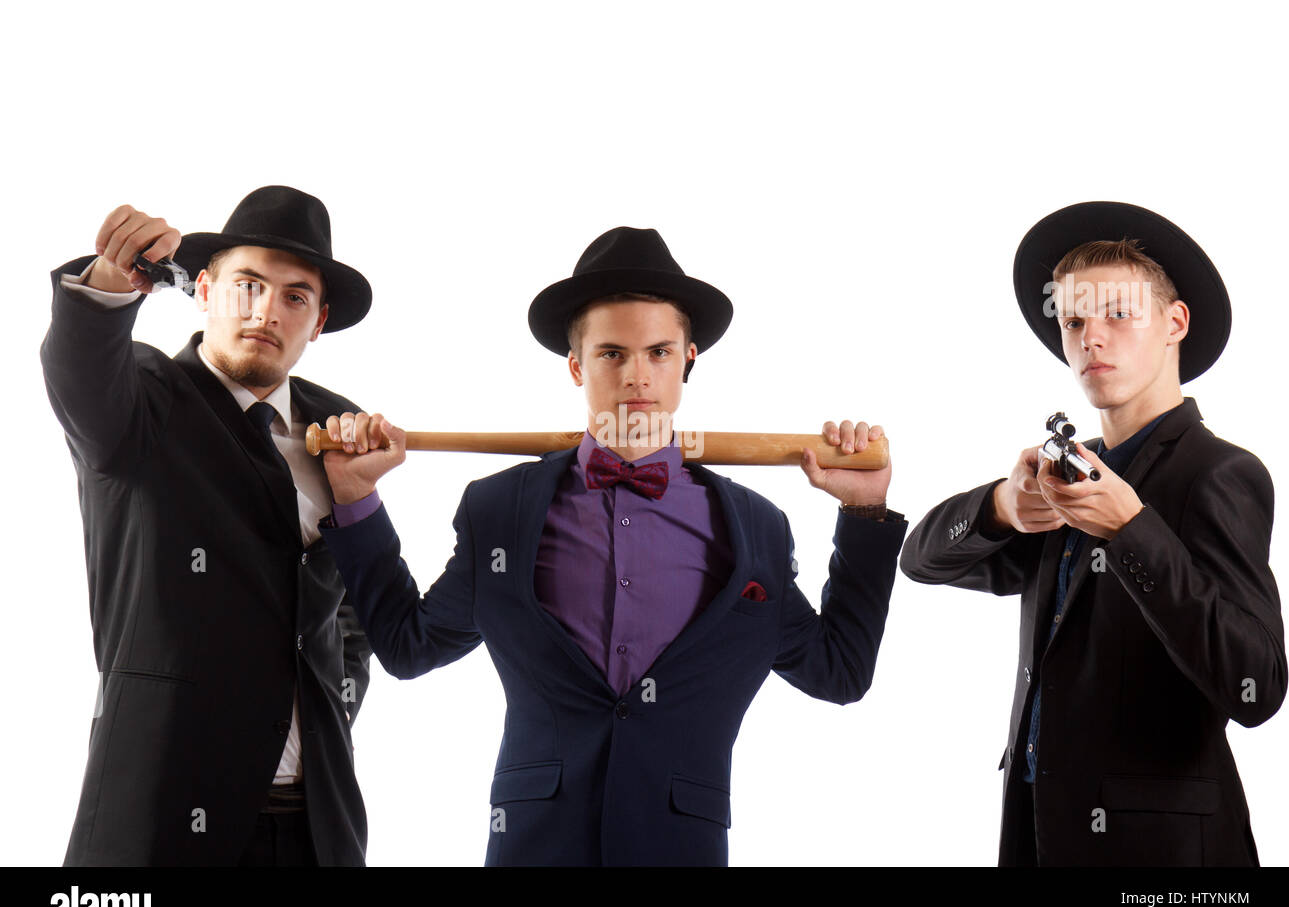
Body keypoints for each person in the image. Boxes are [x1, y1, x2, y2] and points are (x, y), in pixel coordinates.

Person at [317, 226, 907, 864]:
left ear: (689, 359)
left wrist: (864, 511)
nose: (637, 378)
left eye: (658, 353)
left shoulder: (757, 528)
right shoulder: (499, 511)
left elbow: (840, 672)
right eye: (611, 354)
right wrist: (355, 499)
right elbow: (408, 647)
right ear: (577, 365)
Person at [900, 201, 1286, 865]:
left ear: (1174, 322)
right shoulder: (1066, 478)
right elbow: (920, 561)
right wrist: (1002, 506)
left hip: (1161, 857)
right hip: (1041, 836)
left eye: (1116, 314)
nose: (1090, 338)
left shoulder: (1220, 473)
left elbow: (1256, 685)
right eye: (1073, 320)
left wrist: (1131, 529)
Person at [41, 185, 375, 865]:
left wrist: (328, 706)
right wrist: (111, 282)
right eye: (247, 285)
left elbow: (353, 608)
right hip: (163, 817)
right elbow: (80, 371)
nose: (265, 311)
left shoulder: (336, 428)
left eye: (294, 296)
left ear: (318, 320)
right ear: (203, 289)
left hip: (314, 830)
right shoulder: (143, 400)